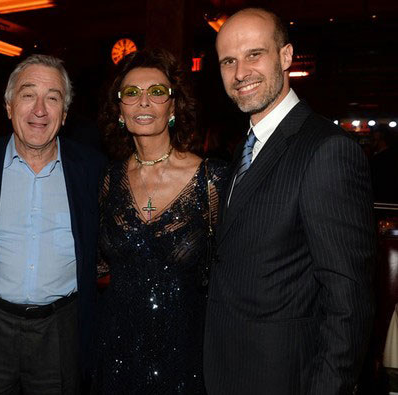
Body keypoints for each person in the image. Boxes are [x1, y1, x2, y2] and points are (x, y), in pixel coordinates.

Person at [204, 8, 375, 394]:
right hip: (228, 370)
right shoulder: (245, 148)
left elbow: (348, 303)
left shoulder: (327, 150)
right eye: (228, 61)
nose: (240, 73)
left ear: (285, 56)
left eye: (254, 54)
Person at [0, 54, 105, 394]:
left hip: (60, 328)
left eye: (52, 98)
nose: (40, 110)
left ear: (64, 115)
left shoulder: (93, 171)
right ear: (8, 106)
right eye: (28, 95)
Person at [93, 49, 227, 394]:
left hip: (187, 353)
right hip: (116, 348)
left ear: (173, 106)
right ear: (119, 110)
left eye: (157, 92)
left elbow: (233, 275)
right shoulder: (110, 179)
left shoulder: (211, 179)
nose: (143, 103)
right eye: (131, 93)